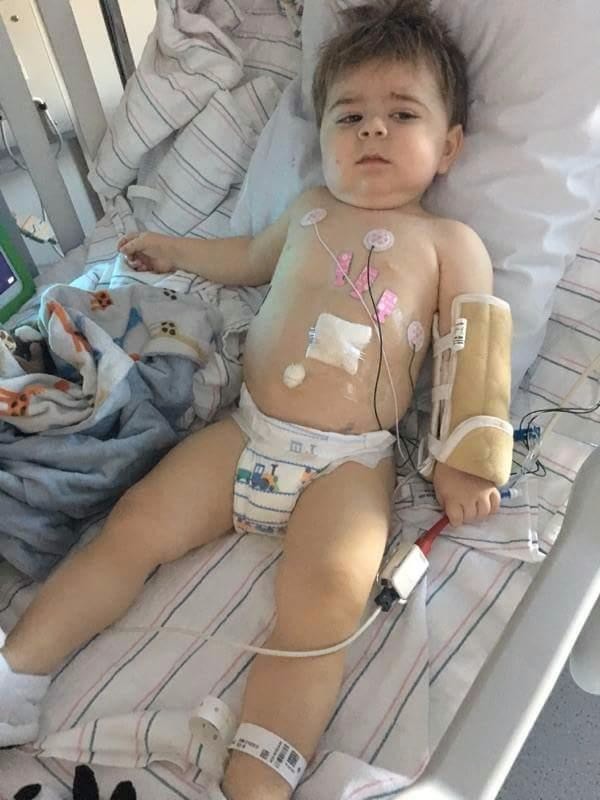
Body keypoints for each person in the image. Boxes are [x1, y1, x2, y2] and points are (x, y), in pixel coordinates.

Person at [0, 1, 510, 798]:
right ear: (323, 137)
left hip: (350, 465)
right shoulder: (308, 211)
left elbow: (475, 350)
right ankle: (17, 675)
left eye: (402, 114)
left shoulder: (451, 243)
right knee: (135, 525)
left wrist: (468, 457)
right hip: (247, 431)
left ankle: (259, 779)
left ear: (449, 146)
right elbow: (244, 258)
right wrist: (174, 249)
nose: (373, 129)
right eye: (350, 116)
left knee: (325, 605)